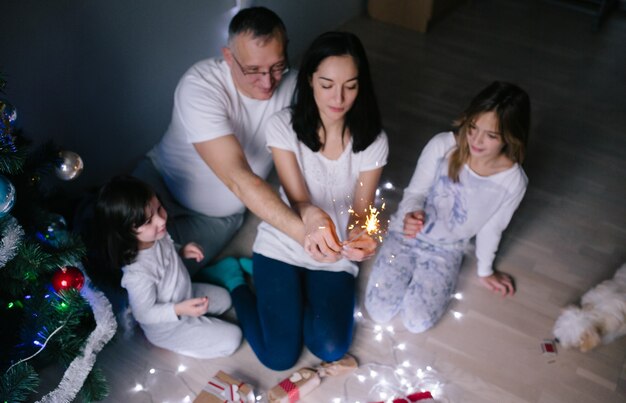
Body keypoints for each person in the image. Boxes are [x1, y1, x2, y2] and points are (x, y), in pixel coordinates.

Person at [203, 31, 389, 370]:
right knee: (278, 357)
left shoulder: (372, 139)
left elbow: (365, 212)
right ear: (310, 80)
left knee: (330, 348)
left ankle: (287, 290)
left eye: (351, 85)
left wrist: (369, 235)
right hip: (286, 238)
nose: (339, 97)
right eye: (327, 84)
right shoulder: (283, 127)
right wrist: (314, 219)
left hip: (335, 251)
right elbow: (300, 201)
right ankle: (235, 279)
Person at [133, 6, 342, 276]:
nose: (267, 82)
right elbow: (238, 178)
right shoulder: (200, 86)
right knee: (108, 251)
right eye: (253, 70)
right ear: (229, 57)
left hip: (215, 220)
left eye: (277, 66)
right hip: (158, 183)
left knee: (158, 276)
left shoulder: (295, 85)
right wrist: (303, 233)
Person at [365, 81, 530, 333]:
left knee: (417, 322)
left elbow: (491, 229)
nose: (476, 140)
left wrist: (485, 270)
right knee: (378, 311)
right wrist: (411, 214)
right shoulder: (443, 146)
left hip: (447, 249)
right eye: (473, 127)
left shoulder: (513, 181)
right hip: (405, 234)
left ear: (509, 137)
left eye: (491, 135)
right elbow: (415, 192)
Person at [94, 175, 242, 359]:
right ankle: (171, 344)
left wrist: (182, 251)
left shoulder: (156, 235)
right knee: (233, 339)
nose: (161, 220)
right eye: (148, 221)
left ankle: (197, 319)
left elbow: (166, 252)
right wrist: (179, 310)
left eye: (159, 209)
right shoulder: (137, 274)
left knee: (226, 299)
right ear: (126, 232)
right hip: (168, 325)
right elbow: (144, 314)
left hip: (184, 293)